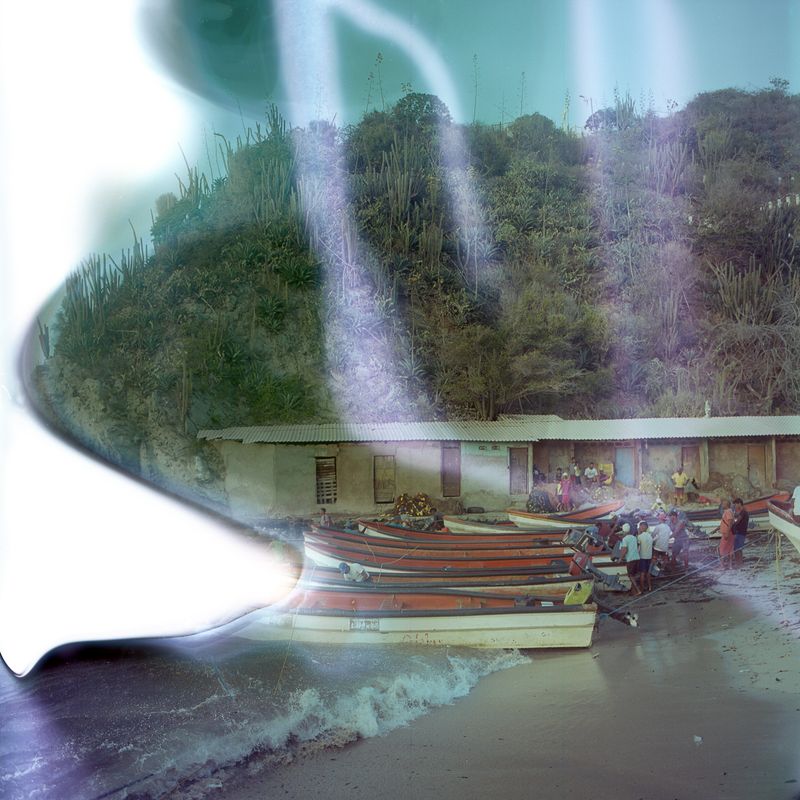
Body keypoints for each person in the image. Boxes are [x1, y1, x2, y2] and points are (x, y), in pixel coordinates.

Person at [620, 523, 641, 596]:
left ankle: (638, 590)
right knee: (634, 574)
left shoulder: (625, 539)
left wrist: (620, 558)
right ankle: (634, 590)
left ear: (623, 531)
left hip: (630, 559)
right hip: (637, 558)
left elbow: (624, 550)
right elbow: (638, 546)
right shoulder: (634, 537)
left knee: (630, 575)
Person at [637, 520, 654, 592]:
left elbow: (637, 547)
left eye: (640, 526)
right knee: (648, 573)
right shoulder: (650, 536)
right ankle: (650, 587)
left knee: (642, 573)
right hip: (649, 557)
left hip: (642, 557)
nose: (639, 528)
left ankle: (642, 588)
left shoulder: (639, 537)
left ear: (642, 527)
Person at [732, 498, 749, 567]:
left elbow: (738, 521)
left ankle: (739, 563)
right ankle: (739, 563)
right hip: (741, 532)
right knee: (738, 549)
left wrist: (731, 524)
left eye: (735, 505)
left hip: (740, 532)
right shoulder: (743, 512)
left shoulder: (743, 512)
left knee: (737, 549)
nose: (735, 506)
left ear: (739, 503)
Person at [718, 499, 735, 570]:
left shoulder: (728, 512)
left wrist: (727, 532)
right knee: (729, 549)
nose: (722, 505)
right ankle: (730, 565)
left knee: (721, 549)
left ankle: (722, 566)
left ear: (726, 505)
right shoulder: (728, 511)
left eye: (723, 504)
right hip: (728, 532)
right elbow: (726, 522)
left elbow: (730, 522)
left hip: (727, 533)